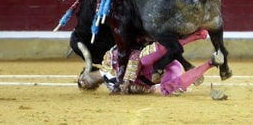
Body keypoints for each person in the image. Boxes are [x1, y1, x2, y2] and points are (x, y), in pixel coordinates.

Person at [78, 29, 224, 96]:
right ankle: (211, 63)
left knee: (144, 58)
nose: (82, 84)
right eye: (82, 86)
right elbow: (144, 90)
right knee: (168, 90)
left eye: (81, 80)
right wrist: (135, 87)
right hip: (160, 73)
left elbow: (134, 54)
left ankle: (195, 35)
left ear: (87, 71)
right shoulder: (111, 87)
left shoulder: (108, 57)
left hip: (152, 57)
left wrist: (128, 80)